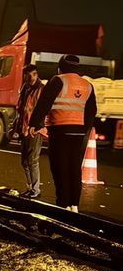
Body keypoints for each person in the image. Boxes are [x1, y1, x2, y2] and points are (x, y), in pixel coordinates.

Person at [29, 55, 97, 212]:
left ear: (60, 68)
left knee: (60, 168)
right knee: (74, 168)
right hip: (78, 133)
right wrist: (84, 128)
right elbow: (92, 111)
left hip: (60, 130)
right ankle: (74, 205)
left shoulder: (58, 80)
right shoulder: (87, 85)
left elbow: (44, 103)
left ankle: (63, 205)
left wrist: (34, 123)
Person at [14, 64, 45, 198]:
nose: (32, 77)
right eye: (29, 75)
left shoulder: (41, 89)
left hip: (35, 130)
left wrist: (37, 126)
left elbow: (43, 110)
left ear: (37, 75)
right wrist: (16, 128)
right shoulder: (25, 88)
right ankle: (30, 187)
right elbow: (21, 110)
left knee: (32, 160)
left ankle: (35, 189)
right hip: (24, 129)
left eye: (34, 74)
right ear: (25, 76)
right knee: (24, 161)